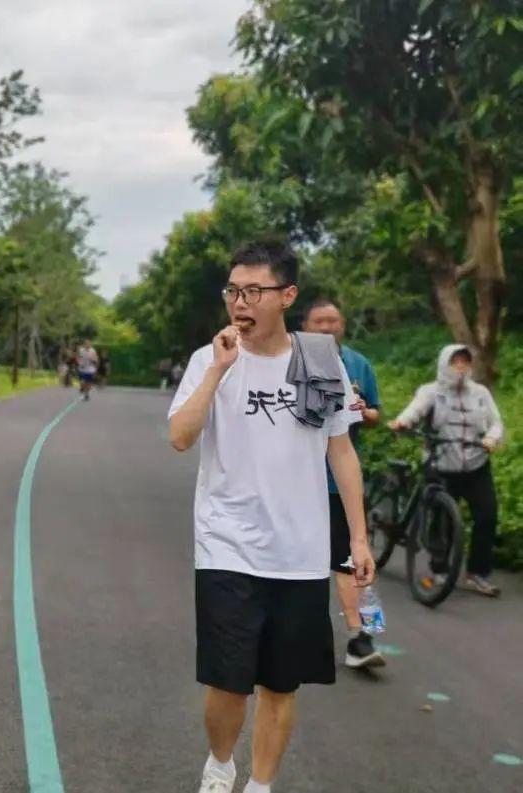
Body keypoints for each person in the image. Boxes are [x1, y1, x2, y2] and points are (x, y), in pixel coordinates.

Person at [168, 241, 374, 793]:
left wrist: (358, 536)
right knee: (228, 683)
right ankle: (219, 764)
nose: (241, 301)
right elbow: (180, 437)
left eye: (253, 291)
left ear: (287, 296)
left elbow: (342, 450)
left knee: (282, 686)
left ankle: (260, 786)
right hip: (226, 545)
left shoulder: (320, 360)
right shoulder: (205, 360)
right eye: (233, 290)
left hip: (302, 554)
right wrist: (218, 371)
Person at [302, 299, 385, 669]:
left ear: (343, 325)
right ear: (305, 325)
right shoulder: (290, 360)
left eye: (332, 321)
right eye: (318, 322)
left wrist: (363, 412)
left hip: (342, 482)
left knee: (356, 560)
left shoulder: (359, 363)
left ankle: (365, 636)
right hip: (298, 482)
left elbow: (375, 413)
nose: (325, 328)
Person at [388, 344, 504, 597]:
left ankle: (477, 573)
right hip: (442, 464)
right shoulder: (432, 392)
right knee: (443, 521)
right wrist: (402, 422)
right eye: (455, 362)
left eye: (465, 362)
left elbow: (496, 423)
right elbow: (415, 410)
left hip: (476, 463)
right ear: (445, 364)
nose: (460, 367)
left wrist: (492, 439)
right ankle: (439, 568)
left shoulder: (481, 393)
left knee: (487, 516)